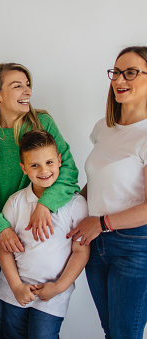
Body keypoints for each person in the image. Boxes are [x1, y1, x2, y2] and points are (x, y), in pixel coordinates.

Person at [0, 63, 80, 338]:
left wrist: (44, 204)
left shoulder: (42, 122)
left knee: (39, 316)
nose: (28, 91)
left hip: (44, 234)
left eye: (27, 84)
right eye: (17, 85)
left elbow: (68, 170)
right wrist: (1, 228)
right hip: (2, 236)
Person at [67, 46, 147, 339]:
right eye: (116, 72)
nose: (118, 80)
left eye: (131, 72)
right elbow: (98, 183)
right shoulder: (104, 128)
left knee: (125, 333)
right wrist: (67, 209)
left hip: (136, 244)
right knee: (111, 331)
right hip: (97, 243)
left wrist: (100, 223)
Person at [0, 130, 89, 339]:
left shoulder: (75, 204)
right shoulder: (15, 202)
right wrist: (17, 286)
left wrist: (58, 287)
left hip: (53, 294)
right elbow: (4, 247)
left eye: (49, 162)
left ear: (59, 161)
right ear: (24, 168)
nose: (44, 170)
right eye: (35, 165)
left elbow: (80, 252)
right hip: (15, 292)